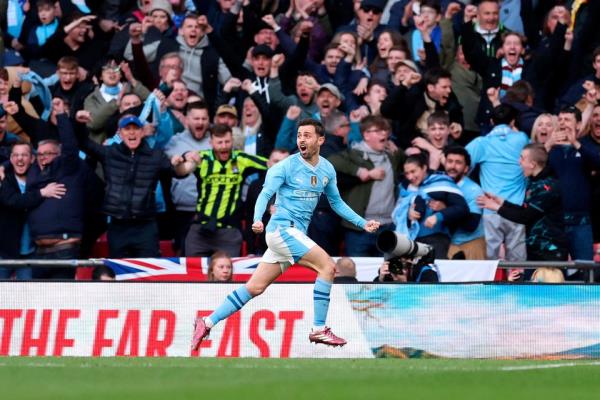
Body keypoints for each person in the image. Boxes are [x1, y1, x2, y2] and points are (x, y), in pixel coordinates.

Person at [191, 119, 380, 350]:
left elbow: (336, 202)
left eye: (307, 135)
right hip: (282, 230)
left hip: (292, 235)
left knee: (254, 288)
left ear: (320, 140)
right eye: (299, 135)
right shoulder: (284, 166)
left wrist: (362, 223)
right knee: (328, 267)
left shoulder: (327, 169)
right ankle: (319, 328)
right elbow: (265, 194)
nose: (302, 139)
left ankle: (207, 322)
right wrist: (258, 219)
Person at [478, 144, 569, 277]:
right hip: (535, 249)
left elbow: (525, 217)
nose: (519, 161)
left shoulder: (547, 186)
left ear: (532, 164)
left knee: (550, 293)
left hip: (550, 251)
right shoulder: (534, 182)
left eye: (522, 158)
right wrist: (502, 202)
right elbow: (526, 210)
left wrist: (496, 207)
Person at [178, 124, 268, 257]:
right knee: (193, 275)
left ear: (232, 140)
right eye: (219, 142)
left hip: (229, 231)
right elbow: (180, 172)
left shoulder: (241, 159)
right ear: (211, 143)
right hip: (200, 229)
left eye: (227, 141)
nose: (224, 146)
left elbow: (270, 164)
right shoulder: (201, 159)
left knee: (227, 274)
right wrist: (181, 160)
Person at [0, 141, 66, 280]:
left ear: (32, 159)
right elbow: (13, 200)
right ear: (11, 159)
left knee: (29, 296)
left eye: (24, 155)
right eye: (16, 155)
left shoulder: (39, 176)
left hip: (31, 251)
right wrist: (42, 193)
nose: (19, 159)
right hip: (4, 250)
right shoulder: (4, 178)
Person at [393, 154, 469, 259]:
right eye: (407, 173)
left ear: (424, 168)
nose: (410, 177)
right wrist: (408, 215)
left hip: (437, 240)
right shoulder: (406, 187)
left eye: (413, 171)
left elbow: (462, 209)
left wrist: (438, 216)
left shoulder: (442, 182)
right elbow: (397, 214)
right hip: (411, 241)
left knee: (433, 272)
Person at [443, 145, 487, 260]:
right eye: (450, 161)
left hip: (471, 244)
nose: (452, 166)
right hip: (447, 244)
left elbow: (471, 225)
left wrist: (445, 210)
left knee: (476, 279)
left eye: (458, 162)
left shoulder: (474, 190)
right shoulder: (438, 183)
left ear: (466, 168)